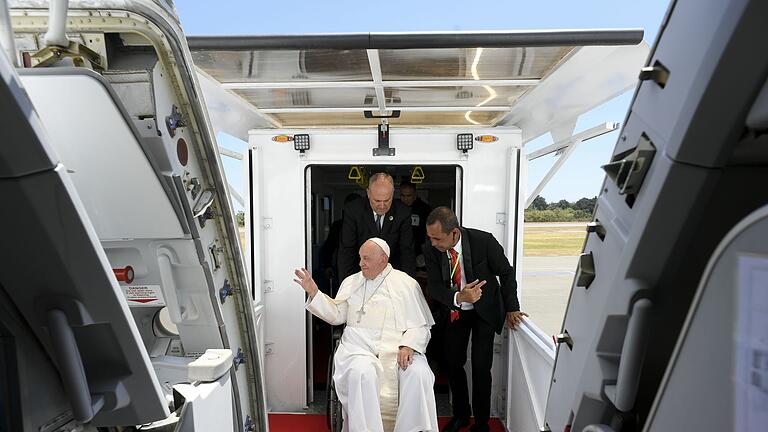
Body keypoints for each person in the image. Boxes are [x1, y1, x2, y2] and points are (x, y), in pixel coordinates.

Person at [294, 238, 438, 432]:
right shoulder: (352, 282)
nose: (361, 263)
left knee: (418, 372)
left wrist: (409, 345)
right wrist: (314, 291)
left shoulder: (406, 283)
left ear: (383, 260)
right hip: (358, 348)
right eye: (360, 258)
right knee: (362, 372)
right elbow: (337, 315)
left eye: (366, 258)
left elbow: (420, 324)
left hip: (398, 347)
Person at [423, 207, 528, 432]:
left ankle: (481, 423)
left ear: (454, 233)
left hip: (485, 311)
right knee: (453, 363)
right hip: (455, 310)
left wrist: (512, 308)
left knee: (481, 367)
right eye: (430, 238)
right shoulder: (431, 249)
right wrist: (460, 297)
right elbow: (433, 286)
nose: (432, 244)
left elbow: (506, 273)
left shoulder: (484, 241)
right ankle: (461, 415)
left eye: (437, 238)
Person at [338, 172, 416, 280]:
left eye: (387, 200)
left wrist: (408, 285)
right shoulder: (353, 211)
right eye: (377, 201)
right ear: (368, 193)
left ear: (393, 194)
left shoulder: (403, 213)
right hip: (360, 274)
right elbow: (347, 251)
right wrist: (346, 286)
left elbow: (407, 252)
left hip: (392, 276)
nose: (382, 206)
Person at [399, 181, 431, 266]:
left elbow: (429, 233)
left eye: (408, 196)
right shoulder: (396, 209)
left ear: (415, 195)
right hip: (400, 251)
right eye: (403, 195)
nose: (406, 199)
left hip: (419, 250)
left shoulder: (424, 209)